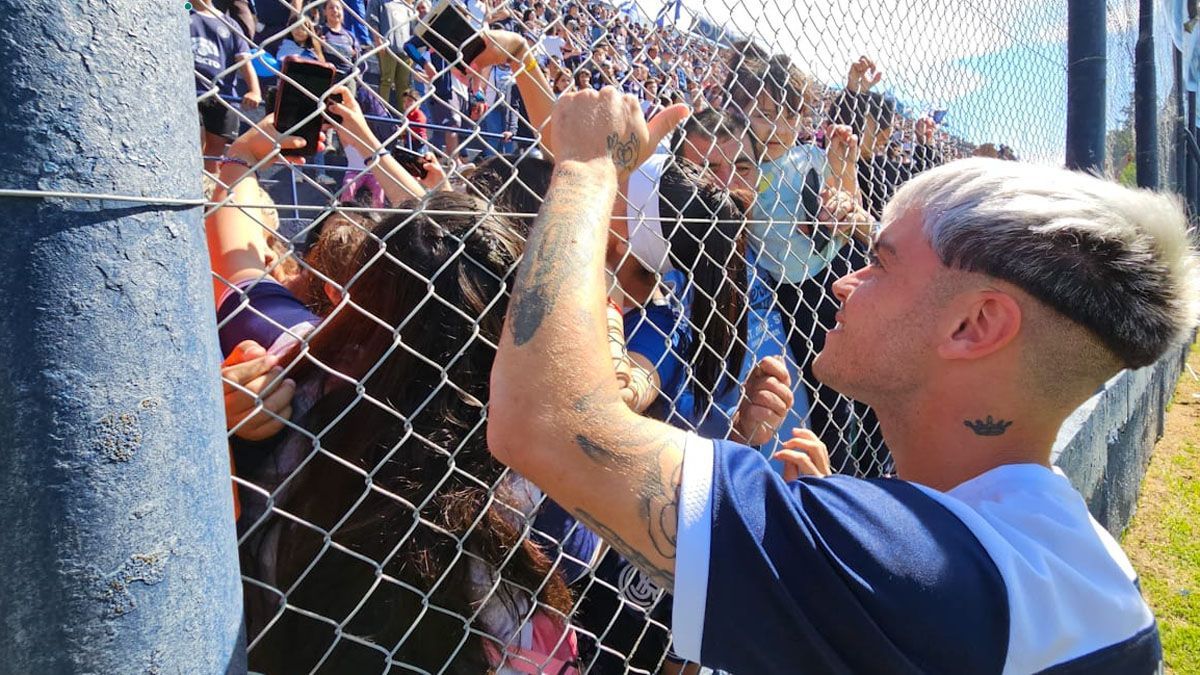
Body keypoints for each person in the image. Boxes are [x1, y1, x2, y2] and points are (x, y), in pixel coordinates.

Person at [487, 87, 1195, 673]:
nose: (843, 282)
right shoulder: (1081, 560)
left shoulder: (899, 560)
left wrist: (585, 166)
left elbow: (543, 421)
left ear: (974, 326)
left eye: (881, 263)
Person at [210, 118, 583, 674]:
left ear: (361, 292)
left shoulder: (293, 369)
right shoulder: (534, 437)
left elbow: (237, 258)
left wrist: (246, 152)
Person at [191, 0, 262, 174]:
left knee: (214, 153)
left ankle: (208, 191)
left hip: (223, 96)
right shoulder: (184, 12)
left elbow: (244, 62)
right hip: (193, 92)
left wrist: (255, 90)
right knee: (194, 142)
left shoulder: (230, 24)